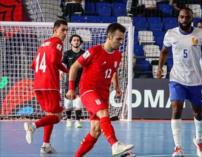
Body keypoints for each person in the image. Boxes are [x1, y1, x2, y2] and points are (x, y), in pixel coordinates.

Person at [66, 23, 134, 157]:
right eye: (118, 39)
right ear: (109, 36)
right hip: (88, 91)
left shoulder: (118, 56)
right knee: (103, 112)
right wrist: (71, 89)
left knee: (95, 130)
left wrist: (118, 87)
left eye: (122, 39)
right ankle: (115, 145)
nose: (121, 42)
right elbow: (74, 67)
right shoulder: (94, 51)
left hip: (103, 93)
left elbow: (113, 72)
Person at [156, 7, 202, 157]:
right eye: (181, 17)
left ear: (191, 18)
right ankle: (178, 148)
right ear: (178, 18)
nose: (184, 20)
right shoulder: (171, 34)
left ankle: (199, 140)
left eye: (187, 17)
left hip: (196, 80)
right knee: (176, 109)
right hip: (177, 78)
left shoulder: (201, 34)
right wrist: (159, 68)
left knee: (198, 112)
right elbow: (164, 51)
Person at [24, 19, 68, 154]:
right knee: (58, 116)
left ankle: (46, 145)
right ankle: (33, 126)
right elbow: (55, 60)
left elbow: (33, 65)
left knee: (50, 114)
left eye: (66, 30)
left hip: (38, 84)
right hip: (50, 84)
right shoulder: (58, 43)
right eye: (63, 30)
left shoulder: (43, 44)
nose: (65, 33)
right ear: (55, 30)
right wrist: (67, 69)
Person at [62, 34, 85, 128]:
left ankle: (78, 121)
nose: (76, 42)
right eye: (74, 40)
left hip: (81, 81)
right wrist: (60, 72)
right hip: (69, 81)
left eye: (78, 40)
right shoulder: (67, 53)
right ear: (71, 42)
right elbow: (63, 65)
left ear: (80, 42)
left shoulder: (84, 53)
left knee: (78, 102)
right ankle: (68, 119)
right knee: (68, 103)